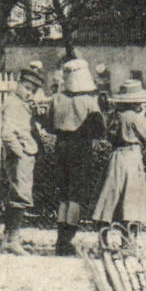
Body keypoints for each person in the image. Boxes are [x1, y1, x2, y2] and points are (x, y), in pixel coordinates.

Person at [91, 78, 146, 240]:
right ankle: (128, 240)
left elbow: (109, 135)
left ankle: (103, 237)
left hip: (116, 157)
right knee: (131, 200)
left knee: (110, 196)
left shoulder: (116, 116)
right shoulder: (136, 118)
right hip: (132, 157)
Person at [48, 58, 104, 255]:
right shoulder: (89, 101)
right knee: (76, 194)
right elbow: (99, 129)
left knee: (63, 193)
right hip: (80, 148)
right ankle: (68, 238)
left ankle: (60, 239)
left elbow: (49, 125)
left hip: (61, 146)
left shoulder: (56, 99)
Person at [0, 68, 44, 255]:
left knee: (18, 195)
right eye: (26, 87)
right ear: (18, 84)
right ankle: (13, 240)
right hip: (21, 154)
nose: (28, 92)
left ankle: (8, 238)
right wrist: (20, 153)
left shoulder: (23, 103)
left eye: (32, 90)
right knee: (20, 195)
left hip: (26, 153)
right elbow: (7, 133)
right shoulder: (12, 103)